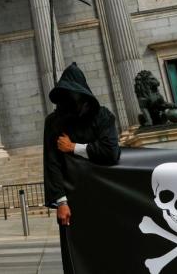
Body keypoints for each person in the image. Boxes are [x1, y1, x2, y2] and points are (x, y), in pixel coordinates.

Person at [43, 63, 121, 273]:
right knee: (75, 254)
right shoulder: (54, 122)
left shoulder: (102, 116)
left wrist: (73, 147)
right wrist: (61, 202)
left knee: (106, 249)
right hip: (72, 199)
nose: (69, 99)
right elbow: (52, 163)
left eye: (72, 94)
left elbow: (111, 152)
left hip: (102, 194)